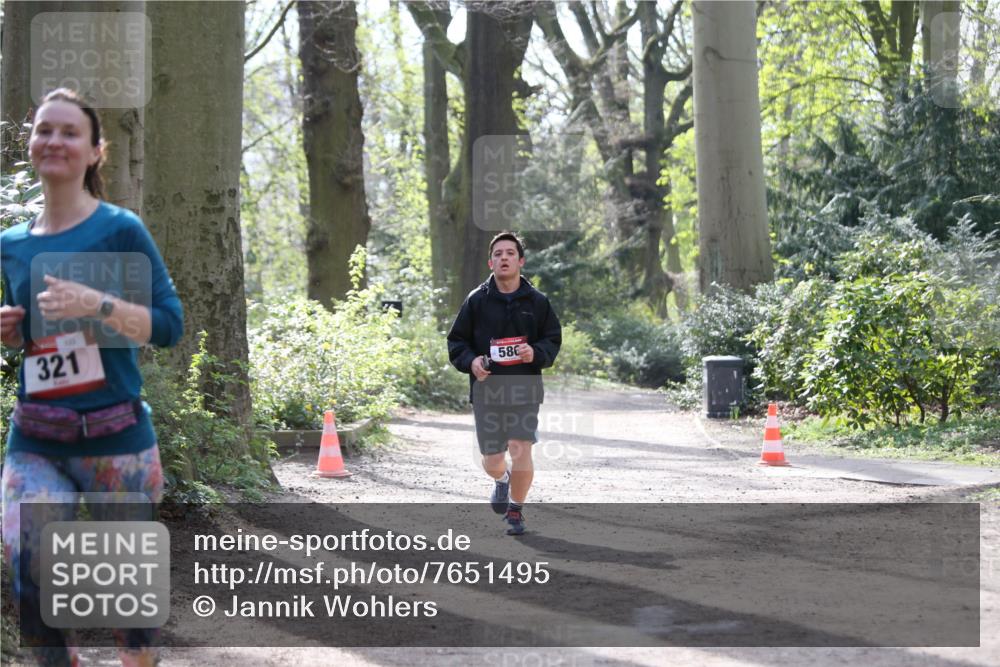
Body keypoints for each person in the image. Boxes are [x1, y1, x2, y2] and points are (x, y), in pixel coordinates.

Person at [1, 89, 183, 667]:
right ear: (31, 143)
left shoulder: (119, 230)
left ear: (95, 151)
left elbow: (169, 325)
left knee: (132, 618)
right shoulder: (10, 245)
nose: (54, 140)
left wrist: (97, 304)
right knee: (29, 572)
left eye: (69, 132)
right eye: (44, 130)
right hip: (36, 437)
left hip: (116, 439)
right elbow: (33, 338)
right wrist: (10, 332)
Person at [447, 231, 561, 535]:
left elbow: (552, 339)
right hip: (488, 391)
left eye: (510, 253)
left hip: (525, 389)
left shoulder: (538, 301)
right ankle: (502, 479)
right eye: (498, 254)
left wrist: (535, 353)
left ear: (521, 261)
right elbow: (457, 341)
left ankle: (515, 510)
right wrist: (471, 362)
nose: (504, 258)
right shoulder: (476, 300)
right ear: (490, 263)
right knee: (493, 460)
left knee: (521, 448)